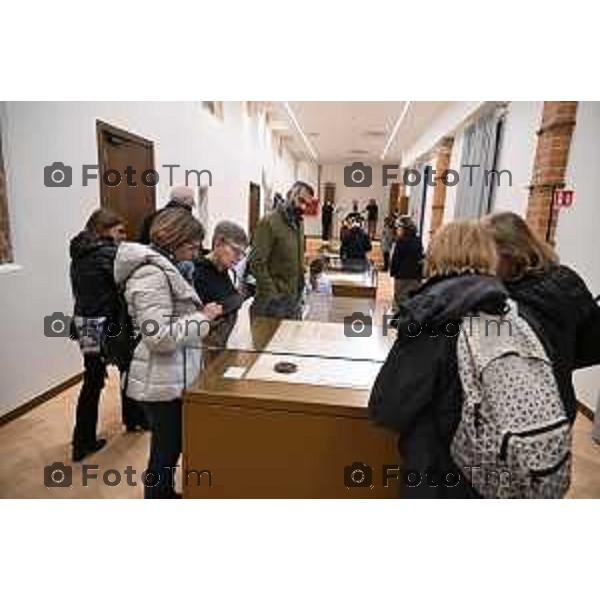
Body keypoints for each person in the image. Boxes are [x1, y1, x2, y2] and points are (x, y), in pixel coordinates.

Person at [369, 221, 508, 498]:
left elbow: (388, 407)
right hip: (496, 468)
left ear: (437, 255)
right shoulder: (507, 309)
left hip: (440, 471)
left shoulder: (436, 315)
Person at [114, 208, 223, 498]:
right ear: (173, 241)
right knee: (165, 450)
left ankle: (162, 494)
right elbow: (158, 336)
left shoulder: (163, 268)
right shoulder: (150, 274)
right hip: (159, 379)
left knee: (169, 448)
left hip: (168, 375)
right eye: (191, 245)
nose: (196, 252)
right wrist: (203, 319)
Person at [482, 211, 600, 423]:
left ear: (509, 253)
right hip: (558, 406)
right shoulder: (567, 278)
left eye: (486, 254)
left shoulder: (503, 296)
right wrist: (560, 362)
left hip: (512, 413)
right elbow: (593, 345)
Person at [69, 208, 147, 461]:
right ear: (104, 230)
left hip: (86, 323)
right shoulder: (108, 254)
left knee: (92, 381)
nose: (124, 237)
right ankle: (134, 420)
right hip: (110, 324)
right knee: (128, 368)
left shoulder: (79, 254)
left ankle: (82, 441)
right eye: (119, 231)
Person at [249, 181, 314, 319]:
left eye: (307, 204)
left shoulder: (299, 223)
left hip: (294, 301)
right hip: (272, 304)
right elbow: (256, 263)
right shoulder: (269, 222)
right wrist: (273, 294)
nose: (303, 206)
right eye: (301, 200)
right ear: (290, 194)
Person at [193, 221, 249, 348]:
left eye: (243, 253)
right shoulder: (196, 273)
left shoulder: (228, 271)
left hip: (224, 347)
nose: (240, 257)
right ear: (218, 242)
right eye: (235, 250)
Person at [390, 216, 424, 313]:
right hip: (415, 275)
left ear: (404, 228)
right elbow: (420, 257)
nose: (397, 230)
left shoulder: (400, 241)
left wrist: (393, 272)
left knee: (400, 298)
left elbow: (396, 259)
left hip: (402, 275)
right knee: (413, 299)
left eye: (398, 227)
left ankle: (399, 320)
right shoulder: (418, 240)